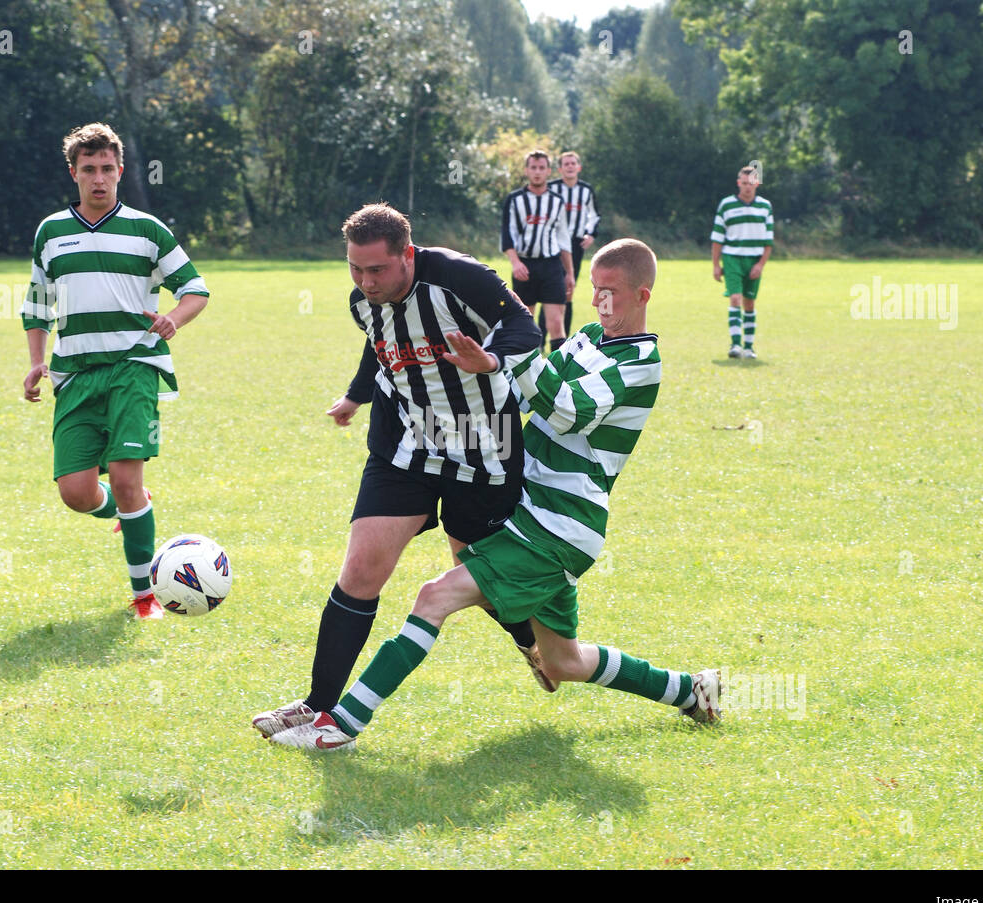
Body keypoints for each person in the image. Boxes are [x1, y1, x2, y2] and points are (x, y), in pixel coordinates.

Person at [268, 239, 722, 752]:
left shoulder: (642, 361)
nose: (600, 304)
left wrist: (503, 358)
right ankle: (690, 690)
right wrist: (492, 367)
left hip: (560, 525)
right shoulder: (589, 338)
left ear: (642, 295)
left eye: (611, 293)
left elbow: (566, 408)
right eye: (595, 291)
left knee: (433, 596)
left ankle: (339, 727)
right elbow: (535, 383)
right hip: (532, 512)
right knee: (562, 662)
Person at [251, 203, 544, 738]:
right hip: (406, 447)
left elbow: (526, 327)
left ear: (407, 255)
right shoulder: (365, 300)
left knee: (478, 574)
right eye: (355, 270)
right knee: (361, 569)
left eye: (377, 270)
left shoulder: (459, 278)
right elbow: (380, 342)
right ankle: (318, 705)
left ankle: (533, 641)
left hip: (484, 446)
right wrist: (355, 396)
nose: (366, 282)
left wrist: (491, 360)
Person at [21, 122, 209, 620]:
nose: (99, 179)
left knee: (126, 476)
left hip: (134, 366)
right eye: (89, 170)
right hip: (75, 375)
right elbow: (37, 305)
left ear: (121, 171)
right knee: (77, 494)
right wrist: (36, 361)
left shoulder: (148, 229)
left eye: (107, 169)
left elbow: (195, 289)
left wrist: (174, 318)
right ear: (74, 173)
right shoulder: (51, 232)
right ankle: (131, 508)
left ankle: (145, 596)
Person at [502, 150, 574, 354]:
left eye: (542, 168)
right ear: (526, 170)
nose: (537, 172)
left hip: (551, 265)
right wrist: (515, 262)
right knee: (525, 319)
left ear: (548, 171)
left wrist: (568, 272)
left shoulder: (557, 201)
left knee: (556, 322)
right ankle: (528, 369)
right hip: (525, 265)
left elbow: (563, 238)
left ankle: (560, 371)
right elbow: (507, 233)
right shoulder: (515, 199)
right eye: (533, 168)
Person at [710, 166, 773, 359]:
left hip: (754, 259)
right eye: (744, 183)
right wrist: (715, 264)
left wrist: (760, 265)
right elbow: (717, 237)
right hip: (732, 258)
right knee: (735, 299)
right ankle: (735, 345)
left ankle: (749, 347)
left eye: (751, 183)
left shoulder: (765, 207)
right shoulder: (726, 205)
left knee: (749, 303)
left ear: (757, 183)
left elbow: (768, 241)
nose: (748, 187)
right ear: (739, 183)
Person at [540, 151, 600, 341]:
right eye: (566, 164)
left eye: (573, 163)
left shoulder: (586, 190)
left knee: (568, 289)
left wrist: (590, 234)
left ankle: (563, 340)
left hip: (575, 243)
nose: (570, 166)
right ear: (560, 169)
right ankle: (541, 339)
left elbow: (594, 215)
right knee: (549, 289)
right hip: (552, 243)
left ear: (579, 167)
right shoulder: (551, 188)